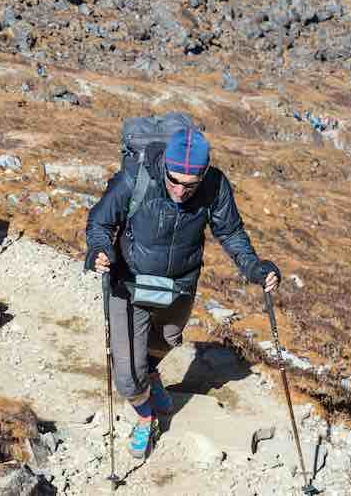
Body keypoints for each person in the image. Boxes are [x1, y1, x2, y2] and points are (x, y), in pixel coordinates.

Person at [85, 127, 281, 459]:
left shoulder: (214, 186)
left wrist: (256, 269)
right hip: (129, 283)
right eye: (173, 181)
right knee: (126, 373)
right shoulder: (136, 178)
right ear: (164, 170)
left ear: (202, 175)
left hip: (178, 286)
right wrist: (100, 249)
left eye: (188, 185)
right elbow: (99, 222)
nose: (179, 190)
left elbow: (230, 232)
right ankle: (146, 416)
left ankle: (151, 373)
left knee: (168, 339)